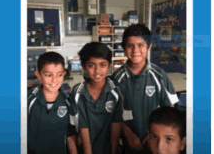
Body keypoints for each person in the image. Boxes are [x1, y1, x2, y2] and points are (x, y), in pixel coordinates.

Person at [111, 24, 179, 153]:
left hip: (155, 140)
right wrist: (128, 133)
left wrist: (152, 134)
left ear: (148, 47)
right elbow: (113, 114)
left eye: (140, 45)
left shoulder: (159, 75)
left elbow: (169, 109)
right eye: (130, 45)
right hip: (128, 140)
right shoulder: (117, 79)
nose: (135, 50)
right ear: (124, 49)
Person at [70, 42, 126, 154]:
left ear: (109, 65)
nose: (97, 71)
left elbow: (116, 125)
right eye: (91, 65)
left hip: (110, 149)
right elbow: (82, 127)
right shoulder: (78, 92)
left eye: (102, 65)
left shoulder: (116, 91)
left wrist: (113, 151)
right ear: (84, 67)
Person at [27, 52, 77, 154]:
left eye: (59, 75)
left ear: (64, 74)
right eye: (48, 75)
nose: (54, 80)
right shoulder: (28, 100)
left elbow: (70, 135)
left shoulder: (68, 100)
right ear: (38, 75)